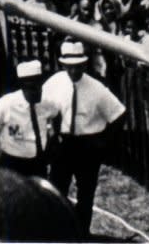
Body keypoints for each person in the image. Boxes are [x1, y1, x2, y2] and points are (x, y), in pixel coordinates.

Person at [42, 40, 125, 235]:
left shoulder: (97, 89)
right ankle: (59, 232)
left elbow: (119, 114)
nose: (74, 71)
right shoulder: (54, 83)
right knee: (57, 190)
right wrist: (49, 132)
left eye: (78, 66)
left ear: (85, 64)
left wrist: (103, 142)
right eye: (70, 67)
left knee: (85, 194)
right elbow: (41, 109)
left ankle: (82, 233)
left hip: (88, 146)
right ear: (63, 65)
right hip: (62, 144)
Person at [0, 60, 56, 178]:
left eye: (40, 86)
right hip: (12, 162)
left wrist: (51, 141)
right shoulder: (7, 104)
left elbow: (57, 116)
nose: (38, 92)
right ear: (22, 87)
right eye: (32, 88)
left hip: (38, 162)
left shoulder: (46, 102)